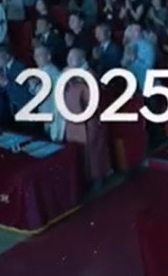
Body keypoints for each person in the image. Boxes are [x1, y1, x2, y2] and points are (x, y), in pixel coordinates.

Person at [62, 48, 112, 188]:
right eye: (68, 58)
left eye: (72, 58)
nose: (69, 61)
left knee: (93, 152)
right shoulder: (69, 74)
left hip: (89, 122)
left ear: (82, 59)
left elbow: (92, 99)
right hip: (73, 119)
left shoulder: (89, 74)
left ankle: (98, 179)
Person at [30, 45, 65, 141]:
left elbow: (49, 94)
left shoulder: (54, 73)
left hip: (51, 115)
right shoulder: (39, 71)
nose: (36, 58)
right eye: (35, 56)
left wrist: (35, 86)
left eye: (39, 55)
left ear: (48, 57)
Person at [0, 46, 32, 125]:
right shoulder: (0, 68)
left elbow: (21, 94)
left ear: (7, 55)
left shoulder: (20, 68)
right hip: (10, 111)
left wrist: (6, 83)